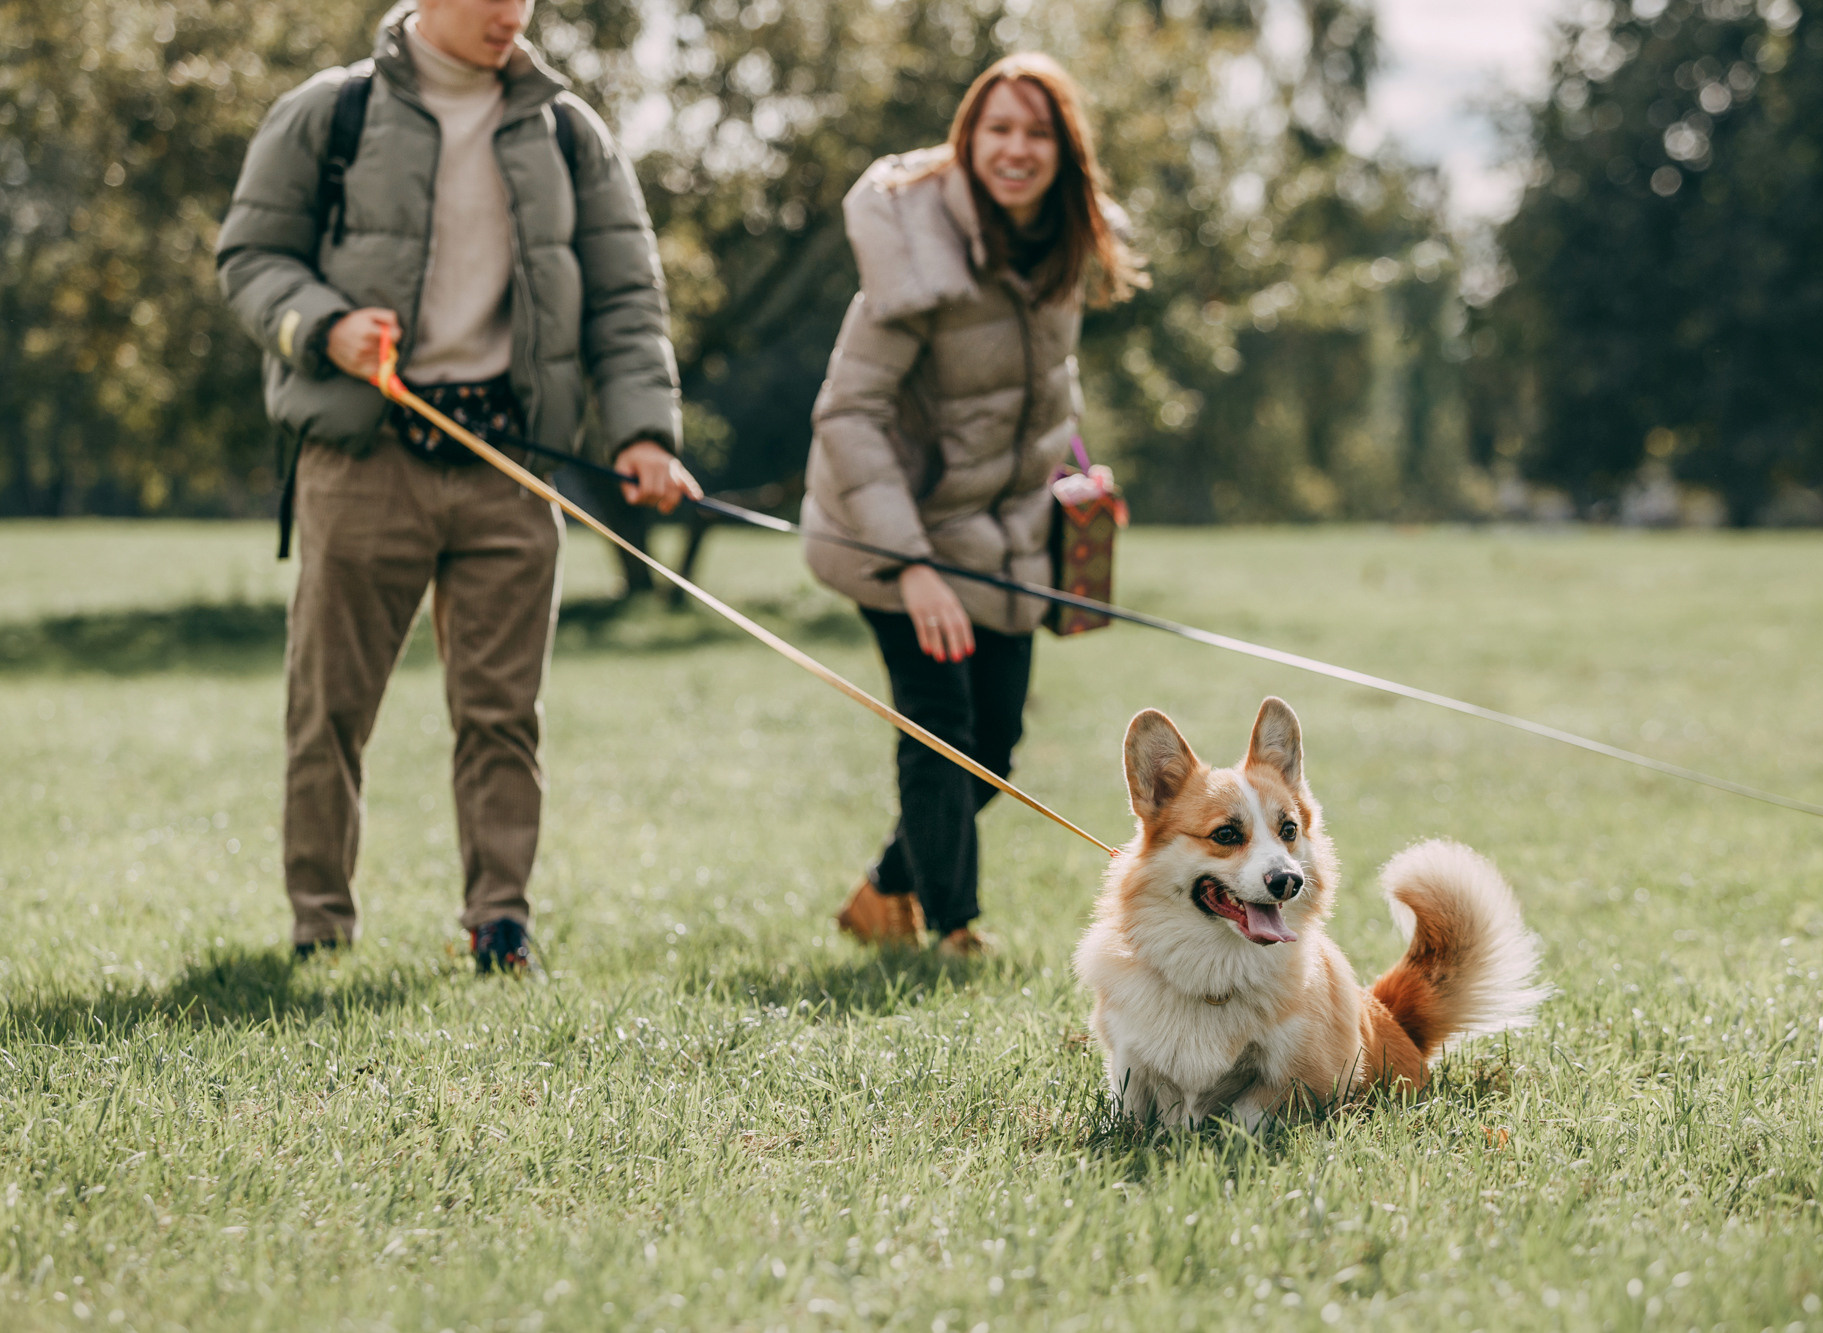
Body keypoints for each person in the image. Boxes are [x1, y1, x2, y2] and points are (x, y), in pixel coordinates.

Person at [215, 0, 700, 973]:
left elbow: (624, 297)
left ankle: (499, 922)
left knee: (501, 714)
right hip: (361, 463)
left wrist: (645, 432)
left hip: (511, 468)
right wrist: (323, 326)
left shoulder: (569, 130)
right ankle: (320, 925)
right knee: (331, 707)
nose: (506, 12)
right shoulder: (330, 112)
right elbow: (250, 258)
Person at [803, 53, 1145, 957]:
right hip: (897, 531)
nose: (1016, 149)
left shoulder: (1063, 247)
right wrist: (910, 565)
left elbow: (1042, 384)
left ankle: (883, 891)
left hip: (1002, 532)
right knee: (940, 726)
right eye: (998, 128)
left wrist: (1075, 473)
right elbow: (848, 411)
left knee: (992, 745)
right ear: (968, 139)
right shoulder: (913, 248)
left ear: (1065, 152)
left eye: (1037, 132)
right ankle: (953, 925)